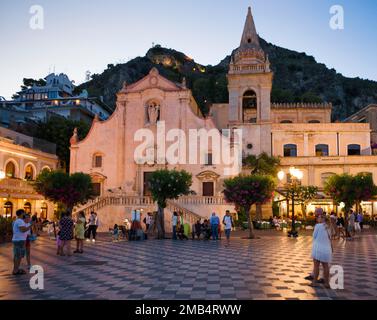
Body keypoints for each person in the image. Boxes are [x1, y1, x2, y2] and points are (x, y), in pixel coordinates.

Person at [310, 212, 333, 288]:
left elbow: (314, 236)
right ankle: (327, 283)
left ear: (322, 218)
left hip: (318, 248)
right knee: (325, 266)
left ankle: (314, 282)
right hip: (326, 248)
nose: (317, 218)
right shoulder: (329, 226)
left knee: (316, 266)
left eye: (318, 217)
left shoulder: (318, 226)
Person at [12, 209, 32, 275]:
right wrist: (30, 226)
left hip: (18, 240)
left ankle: (16, 269)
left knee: (17, 255)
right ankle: (16, 270)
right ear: (21, 213)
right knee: (19, 256)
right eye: (24, 213)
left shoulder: (18, 221)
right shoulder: (20, 221)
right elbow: (23, 230)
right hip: (19, 240)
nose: (25, 214)